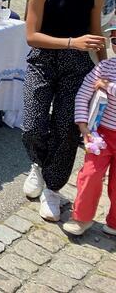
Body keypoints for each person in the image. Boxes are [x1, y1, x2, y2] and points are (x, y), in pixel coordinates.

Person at [22, 0, 111, 221]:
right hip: (42, 60)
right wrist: (72, 42)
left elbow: (96, 36)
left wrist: (106, 73)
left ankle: (54, 188)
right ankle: (38, 163)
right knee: (33, 124)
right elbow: (32, 37)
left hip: (78, 66)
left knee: (67, 128)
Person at [61, 28, 116, 236]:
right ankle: (82, 218)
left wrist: (107, 86)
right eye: (115, 39)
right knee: (90, 175)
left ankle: (115, 221)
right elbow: (83, 95)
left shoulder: (106, 77)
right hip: (101, 134)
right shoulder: (104, 66)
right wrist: (84, 127)